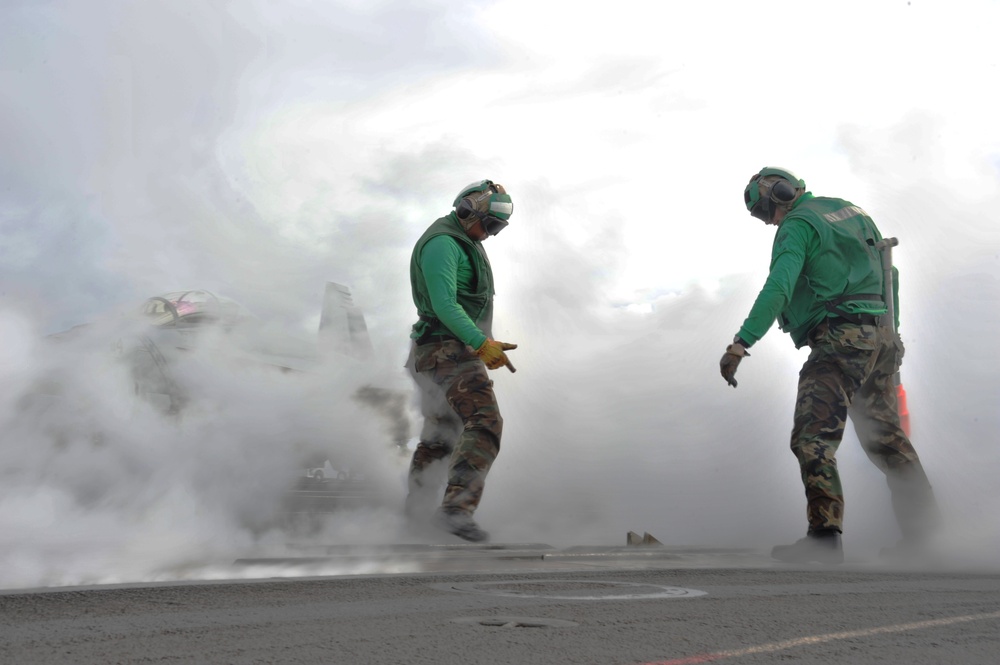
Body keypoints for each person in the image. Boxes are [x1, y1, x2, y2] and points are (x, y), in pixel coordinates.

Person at [720, 166, 938, 564]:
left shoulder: (798, 225)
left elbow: (780, 286)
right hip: (881, 338)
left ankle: (823, 537)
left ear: (777, 197)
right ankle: (928, 540)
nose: (770, 221)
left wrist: (742, 342)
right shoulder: (850, 211)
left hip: (841, 340)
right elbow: (891, 273)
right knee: (888, 440)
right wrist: (892, 333)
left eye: (765, 212)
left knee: (812, 436)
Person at [405, 179, 517, 543]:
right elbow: (444, 304)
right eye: (488, 224)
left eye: (497, 228)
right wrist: (480, 344)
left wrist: (480, 344)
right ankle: (455, 510)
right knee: (485, 422)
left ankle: (415, 517)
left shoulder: (462, 240)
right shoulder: (443, 244)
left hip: (438, 352)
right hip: (446, 350)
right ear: (468, 209)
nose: (490, 234)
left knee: (441, 436)